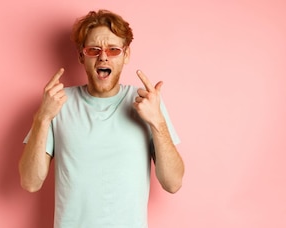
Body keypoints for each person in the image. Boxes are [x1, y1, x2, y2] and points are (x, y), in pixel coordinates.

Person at [19, 9, 184, 228]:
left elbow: (173, 183)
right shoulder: (58, 102)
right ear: (81, 55)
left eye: (113, 50)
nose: (103, 56)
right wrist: (42, 118)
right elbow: (30, 182)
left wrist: (158, 121)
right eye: (93, 49)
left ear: (126, 55)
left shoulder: (147, 102)